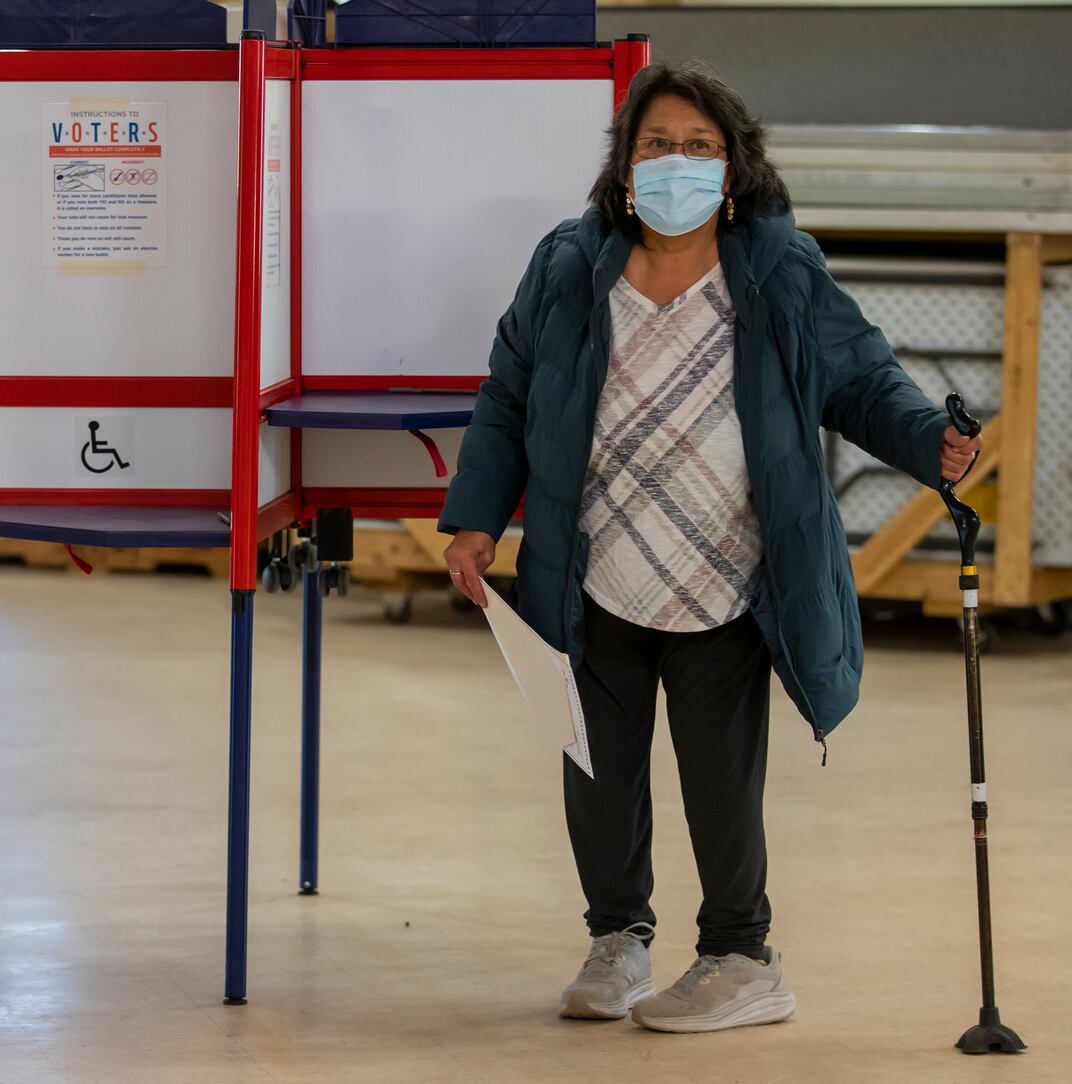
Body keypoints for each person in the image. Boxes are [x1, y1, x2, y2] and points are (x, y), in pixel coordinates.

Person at [437, 64, 981, 1034]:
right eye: (655, 145)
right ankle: (617, 943)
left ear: (733, 170)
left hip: (726, 576)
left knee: (717, 782)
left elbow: (860, 380)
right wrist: (474, 516)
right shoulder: (568, 266)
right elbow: (508, 399)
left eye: (698, 147)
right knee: (595, 772)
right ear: (623, 164)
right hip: (593, 565)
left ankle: (740, 957)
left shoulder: (776, 268)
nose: (674, 163)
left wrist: (928, 443)